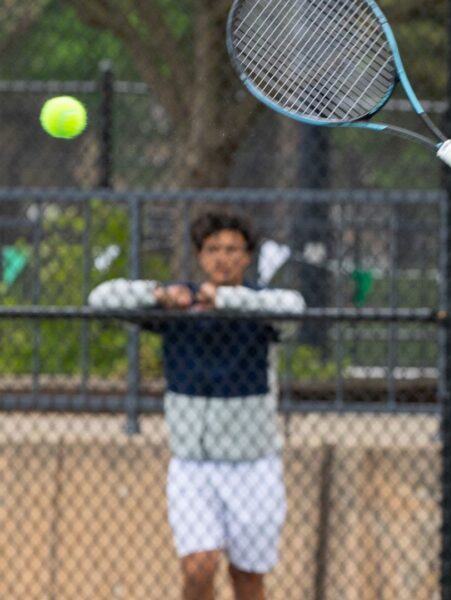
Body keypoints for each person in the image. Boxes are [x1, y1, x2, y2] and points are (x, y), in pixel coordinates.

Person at [89, 211, 305, 600]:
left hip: (254, 467)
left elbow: (294, 308)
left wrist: (225, 299)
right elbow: (100, 300)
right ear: (200, 256)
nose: (223, 258)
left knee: (248, 577)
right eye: (213, 249)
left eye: (232, 250)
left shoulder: (260, 306)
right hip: (193, 467)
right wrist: (158, 295)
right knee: (199, 567)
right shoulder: (180, 303)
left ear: (247, 256)